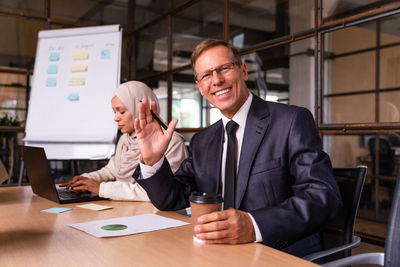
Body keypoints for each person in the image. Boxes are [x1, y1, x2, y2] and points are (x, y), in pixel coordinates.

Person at [132, 40, 342, 256]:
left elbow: (322, 196)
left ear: (243, 70)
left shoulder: (291, 121)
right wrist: (153, 159)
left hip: (279, 252)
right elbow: (172, 199)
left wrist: (254, 225)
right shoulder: (202, 141)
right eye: (206, 75)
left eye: (224, 68)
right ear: (200, 87)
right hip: (217, 252)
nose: (217, 80)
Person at [60, 81, 188, 201]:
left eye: (121, 111)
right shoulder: (125, 139)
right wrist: (88, 179)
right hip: (124, 210)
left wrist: (101, 189)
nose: (116, 118)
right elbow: (113, 169)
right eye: (114, 112)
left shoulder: (171, 142)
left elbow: (160, 193)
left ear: (140, 109)